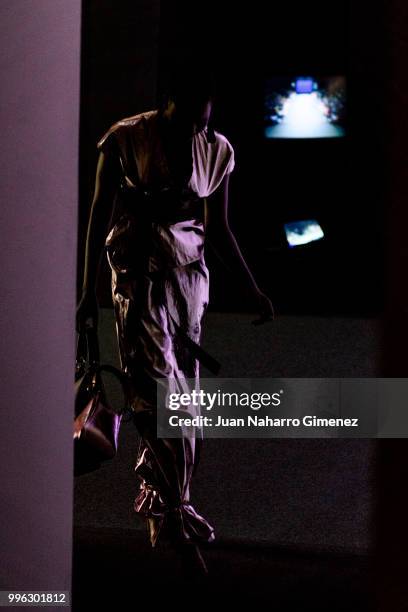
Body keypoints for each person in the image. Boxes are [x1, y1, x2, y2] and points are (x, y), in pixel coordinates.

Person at [76, 63, 274, 574]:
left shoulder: (216, 148)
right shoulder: (124, 140)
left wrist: (252, 288)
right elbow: (98, 214)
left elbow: (220, 227)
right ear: (167, 103)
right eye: (185, 119)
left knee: (186, 400)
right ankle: (173, 516)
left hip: (188, 280)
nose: (194, 130)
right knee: (153, 390)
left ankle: (165, 498)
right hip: (139, 278)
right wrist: (85, 297)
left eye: (201, 122)